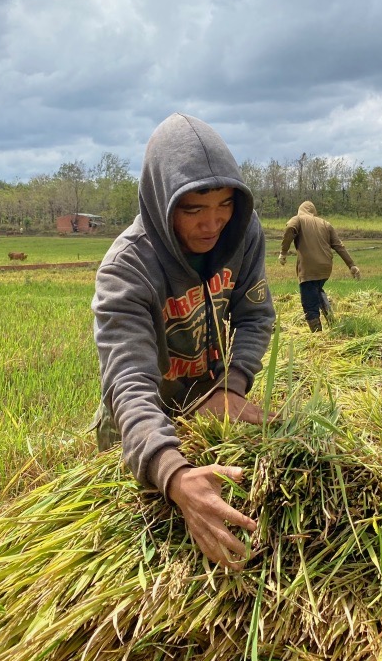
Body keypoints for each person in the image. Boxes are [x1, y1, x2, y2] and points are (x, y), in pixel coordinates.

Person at [91, 113, 275, 570]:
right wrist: (172, 474)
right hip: (142, 431)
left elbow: (256, 317)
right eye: (193, 209)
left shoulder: (243, 235)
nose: (212, 223)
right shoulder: (126, 270)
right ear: (160, 200)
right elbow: (128, 383)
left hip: (209, 409)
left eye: (225, 204)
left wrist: (231, 388)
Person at [278, 201, 361, 331]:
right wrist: (351, 265)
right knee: (316, 290)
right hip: (325, 267)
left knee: (309, 303)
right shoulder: (325, 224)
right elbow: (339, 245)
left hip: (309, 268)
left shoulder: (298, 219)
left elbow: (290, 228)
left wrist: (283, 252)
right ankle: (332, 321)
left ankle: (317, 334)